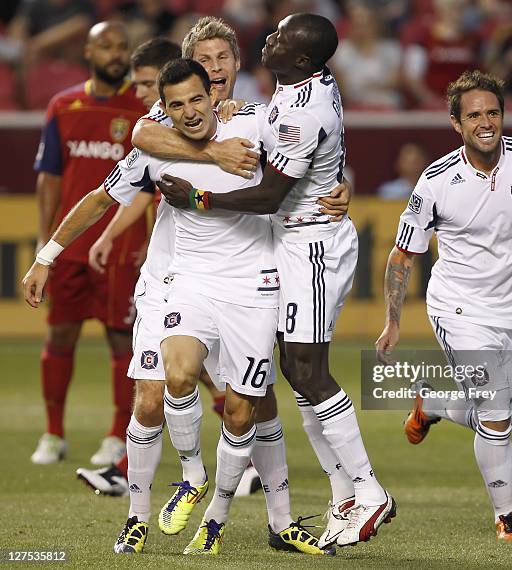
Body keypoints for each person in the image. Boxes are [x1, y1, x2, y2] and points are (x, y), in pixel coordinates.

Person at [23, 49, 345, 556]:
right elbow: (99, 200)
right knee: (173, 378)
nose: (191, 110)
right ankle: (185, 480)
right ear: (164, 111)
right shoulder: (156, 148)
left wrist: (340, 187)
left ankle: (224, 516)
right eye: (177, 105)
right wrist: (48, 256)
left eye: (199, 97)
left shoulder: (256, 126)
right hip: (187, 281)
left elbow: (314, 155)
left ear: (214, 94)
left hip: (254, 286)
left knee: (245, 410)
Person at [156, 13, 396, 548]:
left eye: (283, 37)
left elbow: (269, 195)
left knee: (306, 370)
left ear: (303, 60)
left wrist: (199, 198)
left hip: (309, 243)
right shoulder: (286, 94)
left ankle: (367, 489)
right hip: (288, 243)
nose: (272, 37)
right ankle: (342, 493)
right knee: (293, 368)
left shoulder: (298, 109)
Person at [375, 70, 512, 541]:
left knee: (499, 417)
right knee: (494, 413)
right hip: (459, 309)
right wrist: (393, 320)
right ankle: (507, 517)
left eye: (492, 112)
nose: (485, 122)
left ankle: (430, 404)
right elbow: (402, 254)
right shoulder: (436, 182)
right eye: (473, 115)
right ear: (457, 123)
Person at [73, 37, 239, 499]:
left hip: (231, 280)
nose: (141, 94)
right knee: (163, 382)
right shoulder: (156, 133)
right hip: (170, 280)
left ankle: (248, 472)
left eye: (148, 84)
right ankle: (142, 479)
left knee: (231, 387)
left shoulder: (242, 120)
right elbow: (142, 176)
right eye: (140, 85)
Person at [29, 21, 148, 467]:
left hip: (120, 246)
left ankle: (118, 434)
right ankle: (53, 433)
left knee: (122, 339)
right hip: (71, 245)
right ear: (89, 51)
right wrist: (46, 238)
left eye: (122, 46)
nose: (116, 54)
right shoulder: (63, 106)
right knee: (61, 332)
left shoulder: (141, 109)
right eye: (106, 47)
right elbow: (50, 177)